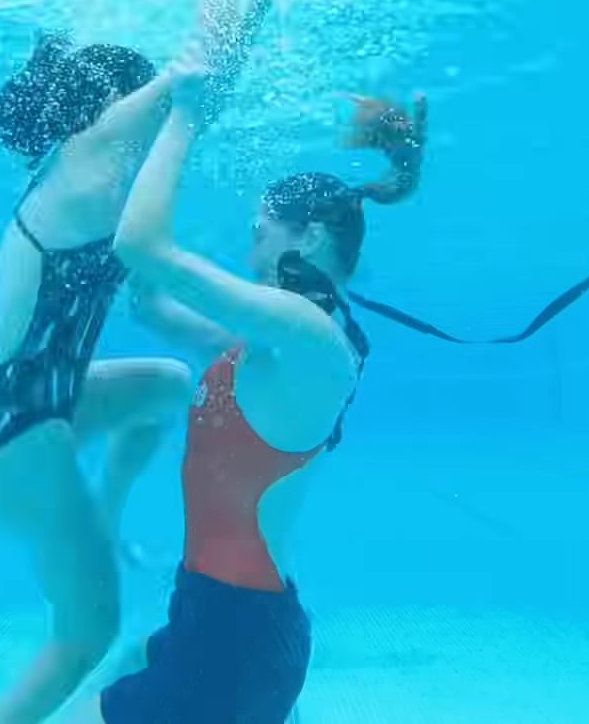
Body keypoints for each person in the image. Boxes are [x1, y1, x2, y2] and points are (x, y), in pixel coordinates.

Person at [0, 0, 275, 724]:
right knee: (86, 633)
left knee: (165, 385)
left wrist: (250, 347)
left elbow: (154, 313)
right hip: (11, 432)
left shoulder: (97, 191)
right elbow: (201, 67)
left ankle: (108, 514)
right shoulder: (86, 162)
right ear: (112, 111)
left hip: (25, 402)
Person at [74, 73, 427, 724]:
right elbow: (157, 308)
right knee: (125, 660)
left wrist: (184, 115)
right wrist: (122, 175)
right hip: (217, 620)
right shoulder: (281, 339)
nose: (251, 248)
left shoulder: (308, 337)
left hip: (233, 646)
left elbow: (144, 249)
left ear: (311, 236)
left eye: (261, 232)